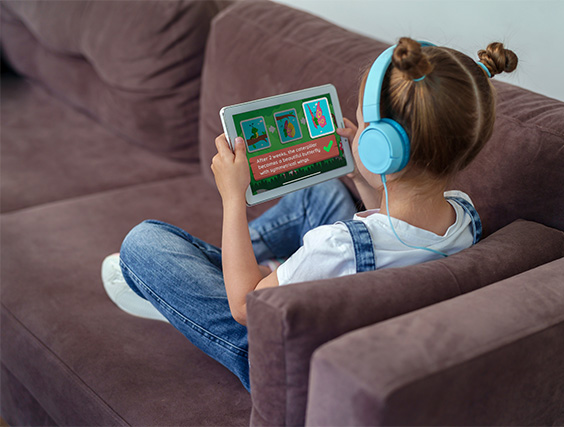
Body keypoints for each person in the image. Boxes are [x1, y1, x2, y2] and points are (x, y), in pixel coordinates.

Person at [101, 37, 518, 392]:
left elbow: (248, 309)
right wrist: (361, 176)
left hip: (278, 357)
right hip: (354, 304)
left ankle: (179, 293)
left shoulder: (335, 246)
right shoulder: (464, 214)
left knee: (142, 243)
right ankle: (241, 273)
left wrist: (232, 196)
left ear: (380, 147)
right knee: (322, 190)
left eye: (362, 125)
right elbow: (394, 234)